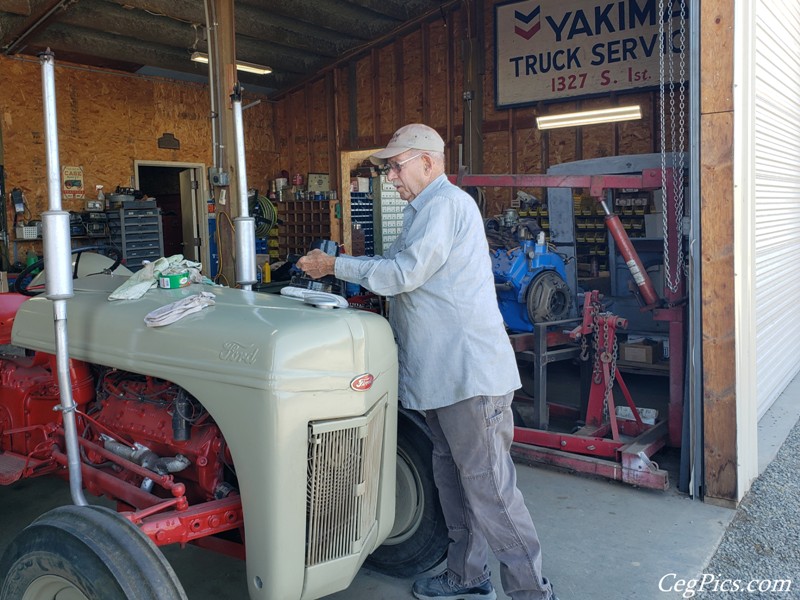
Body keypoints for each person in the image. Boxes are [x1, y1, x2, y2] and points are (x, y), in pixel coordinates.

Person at [297, 123, 557, 600]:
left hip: (467, 377)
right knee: (453, 482)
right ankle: (467, 576)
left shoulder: (446, 205)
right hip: (441, 378)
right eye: (389, 168)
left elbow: (402, 274)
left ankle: (531, 592)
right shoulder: (421, 212)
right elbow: (399, 268)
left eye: (396, 166)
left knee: (491, 492)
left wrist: (336, 266)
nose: (391, 176)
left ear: (428, 162)